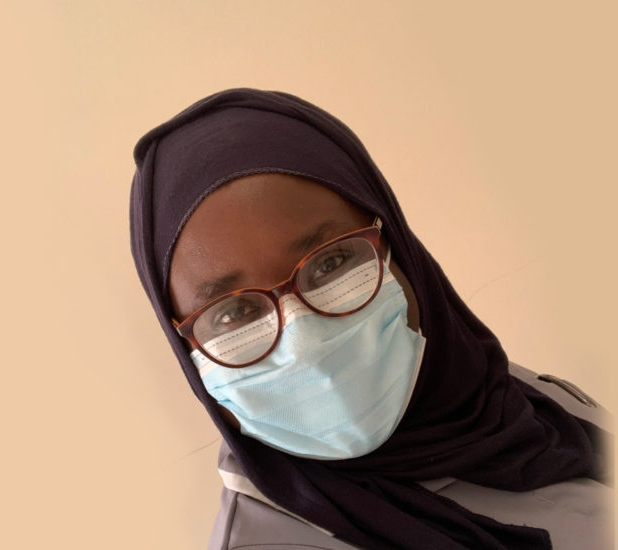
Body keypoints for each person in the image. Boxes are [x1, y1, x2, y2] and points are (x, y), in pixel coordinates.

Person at [127, 88, 613, 549]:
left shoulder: (506, 394)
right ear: (184, 344)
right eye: (234, 312)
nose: (307, 347)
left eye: (331, 263)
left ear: (398, 248)